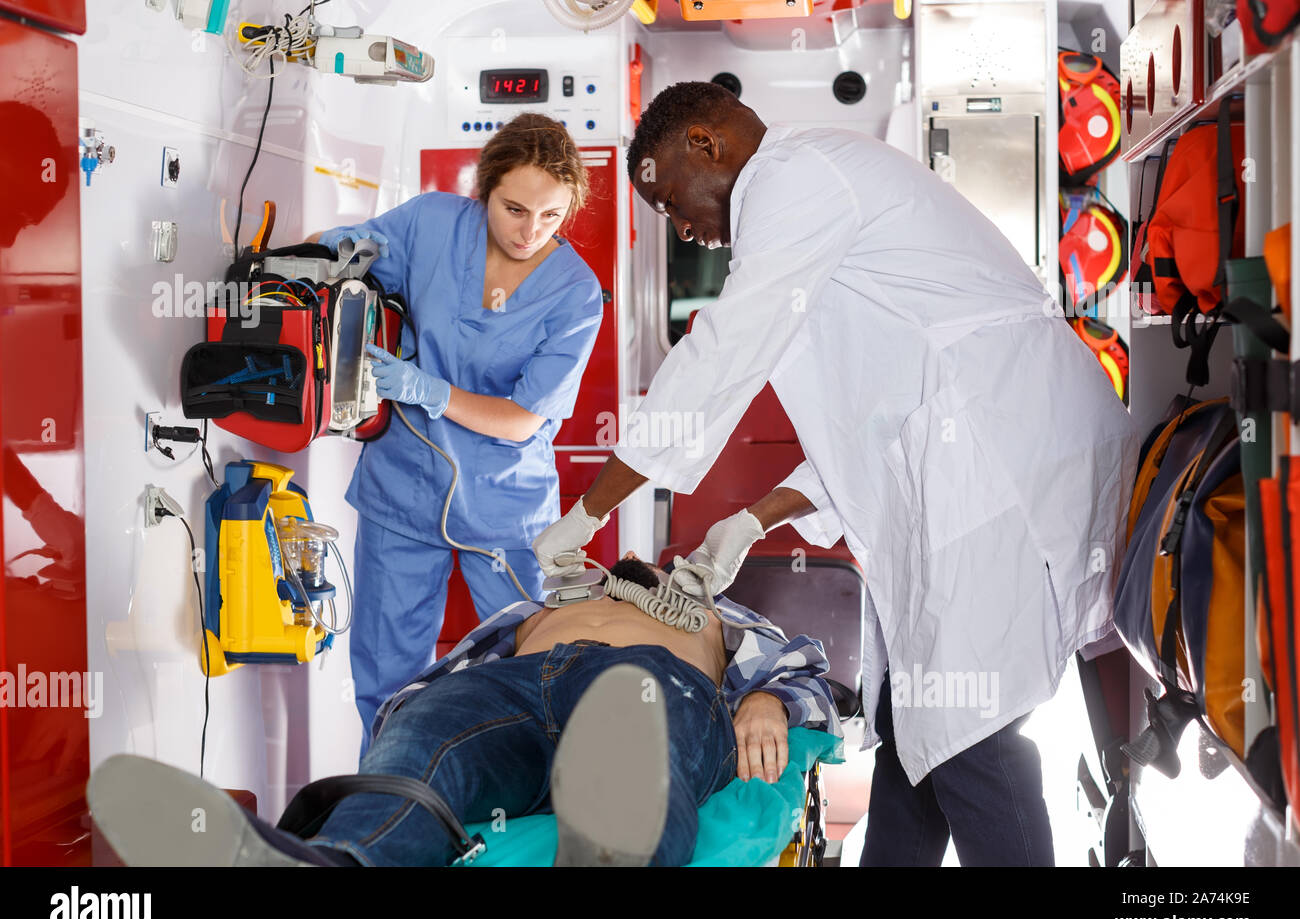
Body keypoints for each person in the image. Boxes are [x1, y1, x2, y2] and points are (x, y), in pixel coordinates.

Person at [532, 82, 1141, 866]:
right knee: (918, 723)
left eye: (671, 200)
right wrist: (755, 518)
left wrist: (588, 513)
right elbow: (871, 427)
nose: (680, 225)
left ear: (706, 146)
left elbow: (722, 354)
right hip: (965, 456)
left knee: (970, 737)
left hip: (998, 459)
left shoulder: (794, 179)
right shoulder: (806, 203)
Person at [86, 555, 839, 867]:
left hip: (652, 682)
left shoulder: (715, 617)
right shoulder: (534, 609)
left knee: (630, 717)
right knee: (427, 746)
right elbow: (430, 690)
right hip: (514, 687)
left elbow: (806, 674)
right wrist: (408, 731)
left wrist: (769, 700)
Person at [308, 113, 605, 750]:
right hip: (403, 490)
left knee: (530, 677)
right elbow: (348, 255)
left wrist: (429, 391)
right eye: (515, 209)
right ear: (484, 190)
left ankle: (520, 825)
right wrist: (323, 256)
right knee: (387, 682)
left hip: (506, 508)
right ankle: (390, 813)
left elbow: (526, 416)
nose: (530, 232)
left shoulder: (577, 294)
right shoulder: (430, 224)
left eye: (551, 217)